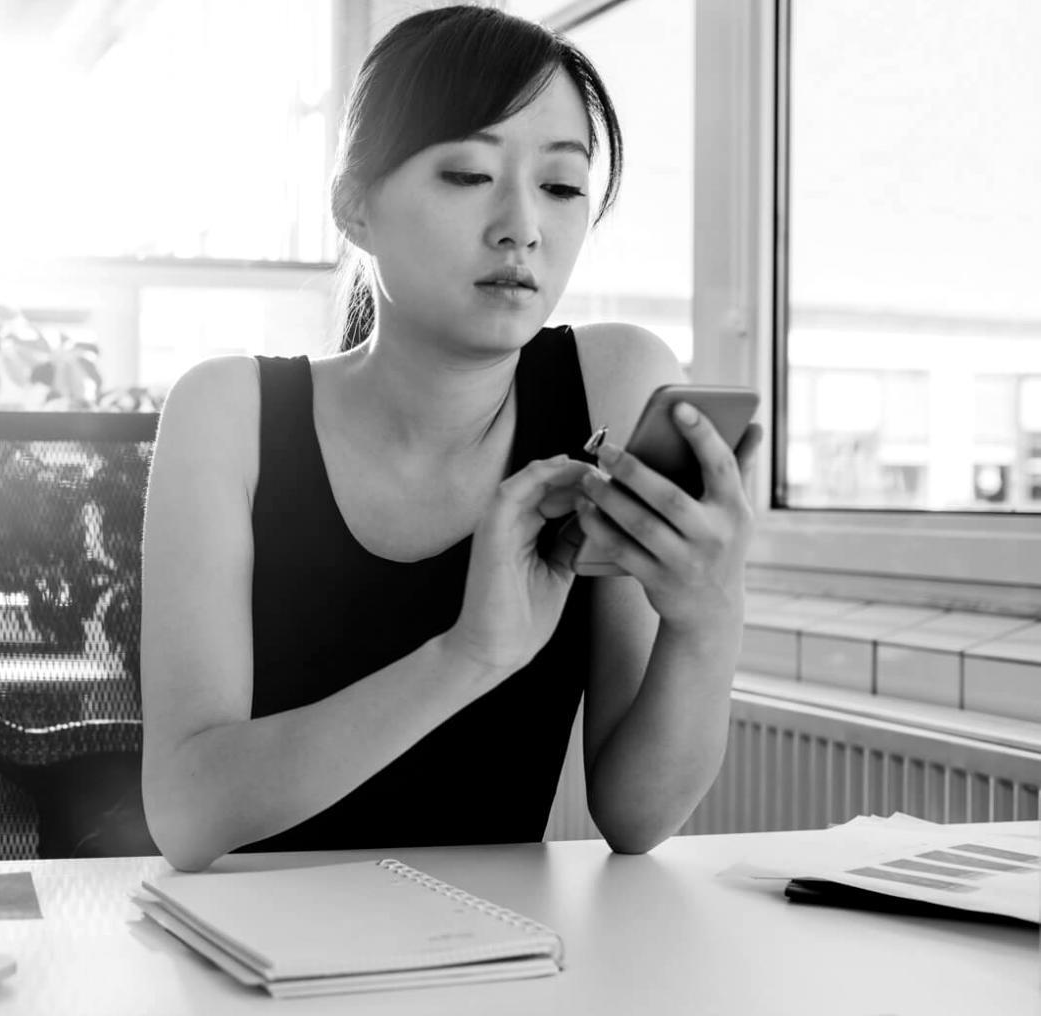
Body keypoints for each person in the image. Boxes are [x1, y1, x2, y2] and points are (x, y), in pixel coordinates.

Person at [140, 5, 763, 872]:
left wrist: (708, 615)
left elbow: (637, 814)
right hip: (247, 961)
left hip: (498, 959)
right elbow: (186, 813)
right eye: (469, 174)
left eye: (561, 185)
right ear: (356, 208)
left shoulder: (613, 385)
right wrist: (470, 655)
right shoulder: (227, 411)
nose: (523, 225)